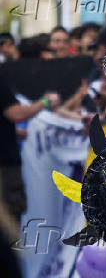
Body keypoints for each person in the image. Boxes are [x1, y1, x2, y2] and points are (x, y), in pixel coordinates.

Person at [0, 77, 60, 239]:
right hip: (4, 167)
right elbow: (15, 113)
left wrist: (12, 131)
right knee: (9, 219)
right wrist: (44, 103)